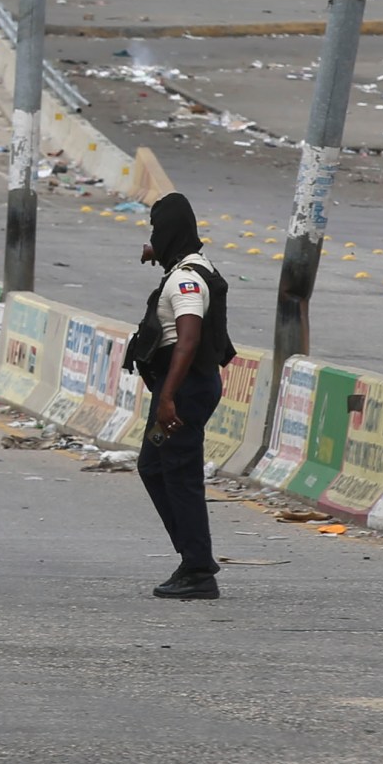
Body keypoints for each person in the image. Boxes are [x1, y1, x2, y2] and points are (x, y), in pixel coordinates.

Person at [125, 193, 235, 601]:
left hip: (183, 394)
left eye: (156, 230)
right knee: (153, 466)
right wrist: (158, 251)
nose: (152, 237)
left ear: (170, 233)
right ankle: (192, 558)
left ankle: (198, 570)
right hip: (181, 391)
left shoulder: (186, 280)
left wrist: (167, 398)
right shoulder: (191, 266)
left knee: (180, 475)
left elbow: (187, 339)